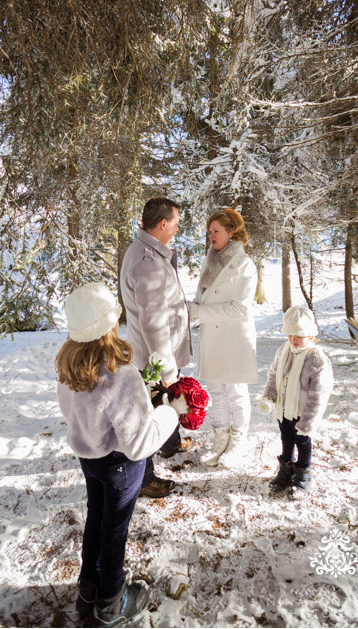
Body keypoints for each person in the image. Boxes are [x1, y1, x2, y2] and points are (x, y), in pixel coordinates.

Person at [56, 283, 187, 627]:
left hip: (90, 461)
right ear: (110, 326)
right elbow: (140, 443)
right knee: (114, 531)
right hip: (120, 468)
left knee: (95, 521)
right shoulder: (120, 376)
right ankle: (112, 600)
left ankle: (89, 587)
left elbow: (74, 414)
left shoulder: (71, 369)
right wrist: (171, 412)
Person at [119, 196, 194, 498]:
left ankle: (170, 442)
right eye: (175, 223)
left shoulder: (147, 251)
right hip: (153, 359)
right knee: (149, 414)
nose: (177, 229)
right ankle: (145, 478)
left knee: (163, 405)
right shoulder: (147, 263)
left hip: (157, 354)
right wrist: (167, 370)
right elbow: (153, 323)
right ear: (163, 224)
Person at [187, 209, 258, 468]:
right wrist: (190, 308)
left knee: (236, 391)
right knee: (216, 389)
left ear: (233, 232)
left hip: (234, 337)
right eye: (209, 231)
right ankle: (221, 439)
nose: (211, 235)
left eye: (216, 230)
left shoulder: (244, 265)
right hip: (212, 335)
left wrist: (199, 311)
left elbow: (240, 308)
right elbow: (203, 296)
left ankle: (238, 442)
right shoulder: (211, 260)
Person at [258, 306, 333, 499]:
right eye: (290, 334)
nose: (294, 340)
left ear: (310, 334)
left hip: (302, 413)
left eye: (299, 335)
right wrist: (269, 396)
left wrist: (308, 420)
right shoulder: (283, 350)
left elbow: (319, 393)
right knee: (286, 438)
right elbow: (274, 375)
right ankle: (286, 469)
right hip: (284, 410)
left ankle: (302, 474)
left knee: (303, 442)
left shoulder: (316, 359)